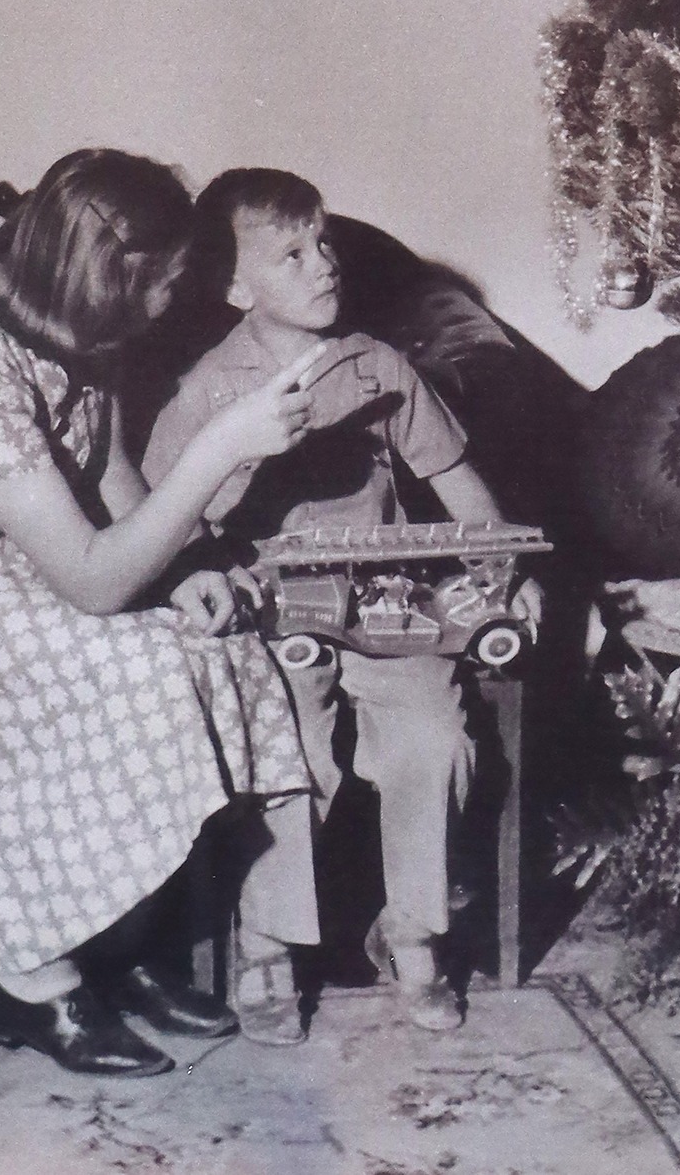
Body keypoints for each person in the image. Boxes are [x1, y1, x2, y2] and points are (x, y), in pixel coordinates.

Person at [0, 149, 321, 1077]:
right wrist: (219, 454)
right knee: (125, 668)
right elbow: (90, 584)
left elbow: (101, 456)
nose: (174, 299)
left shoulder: (72, 309)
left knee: (208, 651)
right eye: (162, 283)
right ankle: (30, 978)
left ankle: (112, 945)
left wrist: (182, 560)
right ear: (104, 275)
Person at [142, 168, 542, 1037]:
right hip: (272, 614)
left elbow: (457, 482)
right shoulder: (211, 388)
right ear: (238, 287)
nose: (323, 264)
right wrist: (203, 574)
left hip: (387, 604)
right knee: (295, 746)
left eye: (322, 242)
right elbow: (160, 522)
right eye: (291, 254)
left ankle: (411, 932)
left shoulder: (378, 365)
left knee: (434, 739)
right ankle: (269, 940)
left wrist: (507, 566)